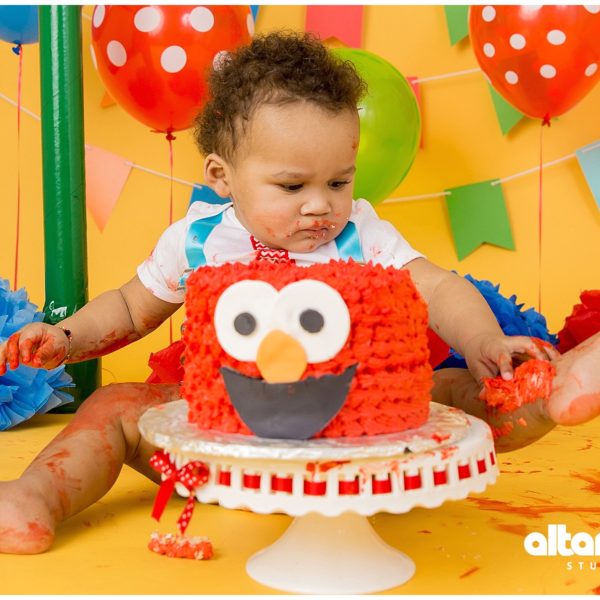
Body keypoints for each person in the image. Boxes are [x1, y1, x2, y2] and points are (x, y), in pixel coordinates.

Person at [0, 31, 599, 555]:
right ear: (222, 176)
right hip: (224, 434)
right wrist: (67, 337)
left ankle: (550, 393)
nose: (321, 205)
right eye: (292, 186)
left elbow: (438, 287)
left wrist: (484, 340)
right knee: (114, 406)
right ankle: (36, 496)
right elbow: (132, 308)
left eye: (338, 181)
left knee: (450, 390)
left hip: (359, 432)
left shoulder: (360, 233)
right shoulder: (199, 239)